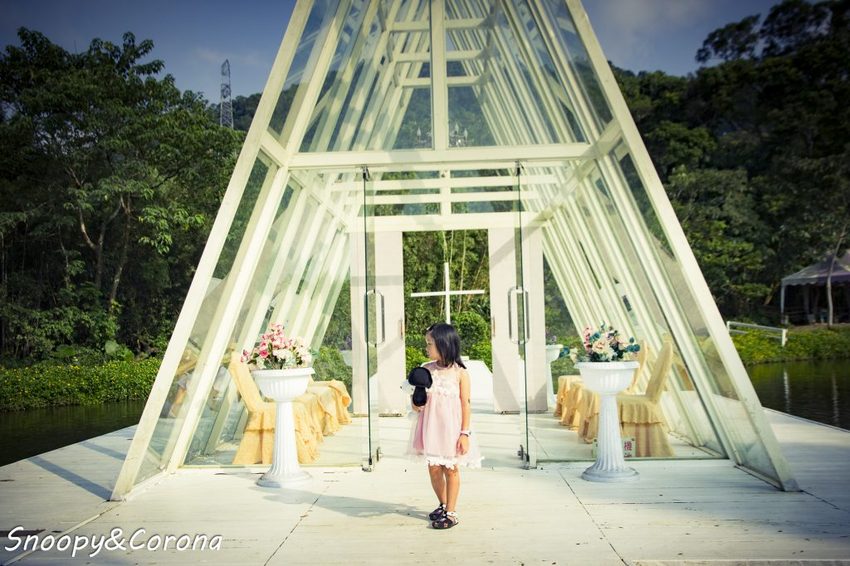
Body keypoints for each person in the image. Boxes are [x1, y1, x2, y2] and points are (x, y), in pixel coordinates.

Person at [408, 322, 483, 529]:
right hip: (430, 428)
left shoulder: (460, 373)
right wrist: (416, 402)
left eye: (429, 344)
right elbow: (416, 403)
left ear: (443, 344)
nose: (426, 348)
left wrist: (464, 433)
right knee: (433, 468)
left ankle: (451, 512)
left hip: (451, 430)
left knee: (450, 469)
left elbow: (466, 404)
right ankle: (442, 504)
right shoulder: (425, 370)